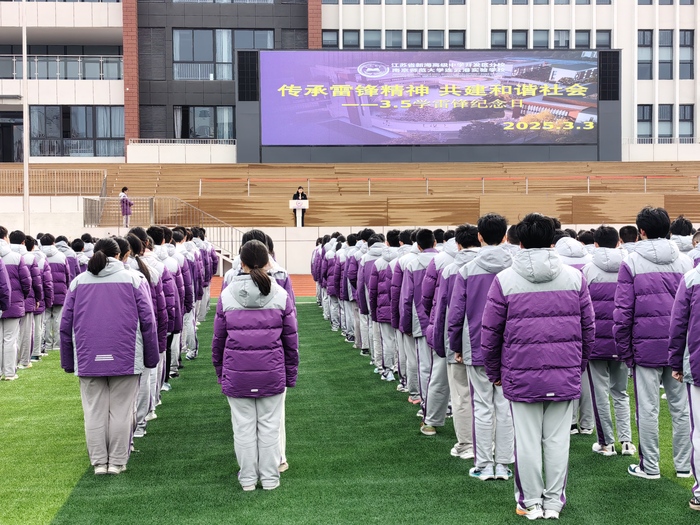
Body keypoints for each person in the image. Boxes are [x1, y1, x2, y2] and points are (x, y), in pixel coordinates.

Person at [482, 213, 595, 520]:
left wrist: (495, 373)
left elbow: (490, 334)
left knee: (528, 441)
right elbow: (589, 329)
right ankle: (553, 501)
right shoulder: (574, 277)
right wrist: (577, 365)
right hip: (562, 372)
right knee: (558, 441)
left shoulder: (504, 280)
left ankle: (530, 501)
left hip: (521, 375)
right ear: (551, 240)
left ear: (518, 241)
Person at [60, 238, 158, 475]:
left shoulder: (78, 283)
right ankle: (116, 461)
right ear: (120, 255)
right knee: (122, 412)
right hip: (125, 355)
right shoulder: (133, 280)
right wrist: (151, 358)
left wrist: (68, 362)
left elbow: (66, 325)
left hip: (89, 357)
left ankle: (99, 462)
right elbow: (149, 322)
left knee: (94, 412)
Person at [212, 240, 298, 491]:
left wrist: (221, 374)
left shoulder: (227, 294)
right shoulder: (280, 294)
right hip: (272, 374)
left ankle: (248, 479)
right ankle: (270, 479)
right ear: (268, 262)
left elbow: (218, 341)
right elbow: (291, 342)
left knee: (243, 429)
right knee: (270, 428)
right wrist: (289, 375)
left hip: (237, 375)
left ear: (242, 263)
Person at [613, 206, 692, 480]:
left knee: (647, 408)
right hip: (680, 348)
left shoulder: (632, 263)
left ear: (641, 232)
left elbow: (622, 313)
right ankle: (685, 467)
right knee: (681, 408)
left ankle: (650, 466)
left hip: (645, 348)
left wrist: (624, 351)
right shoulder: (685, 262)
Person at [582, 226, 635, 457]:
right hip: (620, 339)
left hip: (595, 341)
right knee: (621, 392)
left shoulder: (587, 270)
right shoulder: (628, 266)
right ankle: (626, 441)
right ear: (618, 243)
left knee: (600, 393)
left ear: (595, 244)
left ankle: (607, 443)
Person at [669, 250, 700, 512]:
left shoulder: (692, 278)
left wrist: (676, 362)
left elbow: (678, 324)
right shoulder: (691, 276)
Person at [0, 226, 31, 381]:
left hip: (8, 301)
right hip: (13, 301)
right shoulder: (17, 257)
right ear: (6, 238)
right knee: (10, 339)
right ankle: (10, 372)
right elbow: (26, 282)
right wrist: (22, 297)